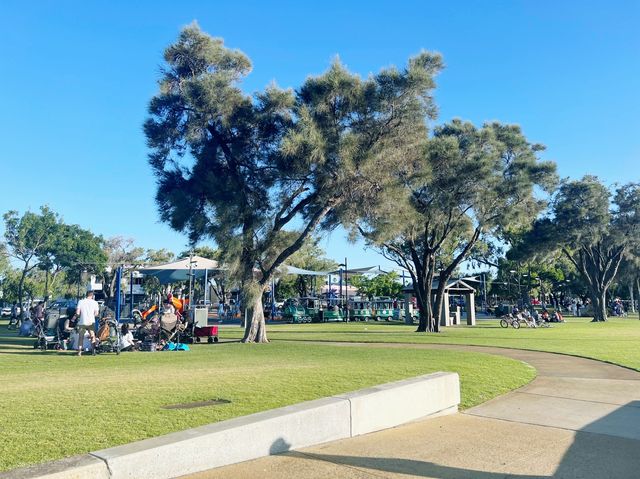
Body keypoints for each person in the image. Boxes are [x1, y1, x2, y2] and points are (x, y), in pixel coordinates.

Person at [75, 291, 99, 356]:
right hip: (91, 321)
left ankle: (79, 352)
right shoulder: (95, 303)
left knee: (81, 337)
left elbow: (77, 312)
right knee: (92, 335)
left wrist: (78, 316)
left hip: (82, 321)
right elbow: (96, 313)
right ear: (92, 295)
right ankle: (93, 350)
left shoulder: (81, 301)